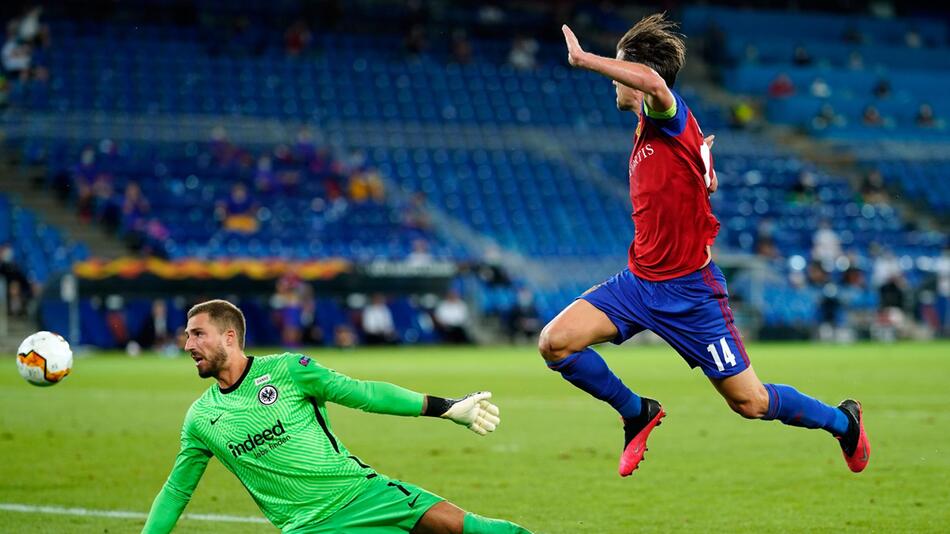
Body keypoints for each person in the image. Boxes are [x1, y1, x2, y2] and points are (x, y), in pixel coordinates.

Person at [541, 15, 869, 478]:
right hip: (638, 284)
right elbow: (690, 178)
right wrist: (703, 170)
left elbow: (655, 85)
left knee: (750, 402)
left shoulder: (666, 114)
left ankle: (843, 422)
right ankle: (637, 412)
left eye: (619, 67)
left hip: (692, 295)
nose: (612, 80)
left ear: (632, 69)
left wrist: (583, 58)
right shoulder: (652, 132)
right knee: (555, 343)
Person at [143, 299, 528, 533]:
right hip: (308, 527)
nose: (187, 344)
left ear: (229, 337)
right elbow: (177, 491)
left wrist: (445, 408)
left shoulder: (289, 370)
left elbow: (363, 394)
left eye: (197, 334)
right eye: (187, 336)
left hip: (365, 493)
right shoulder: (201, 418)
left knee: (468, 528)